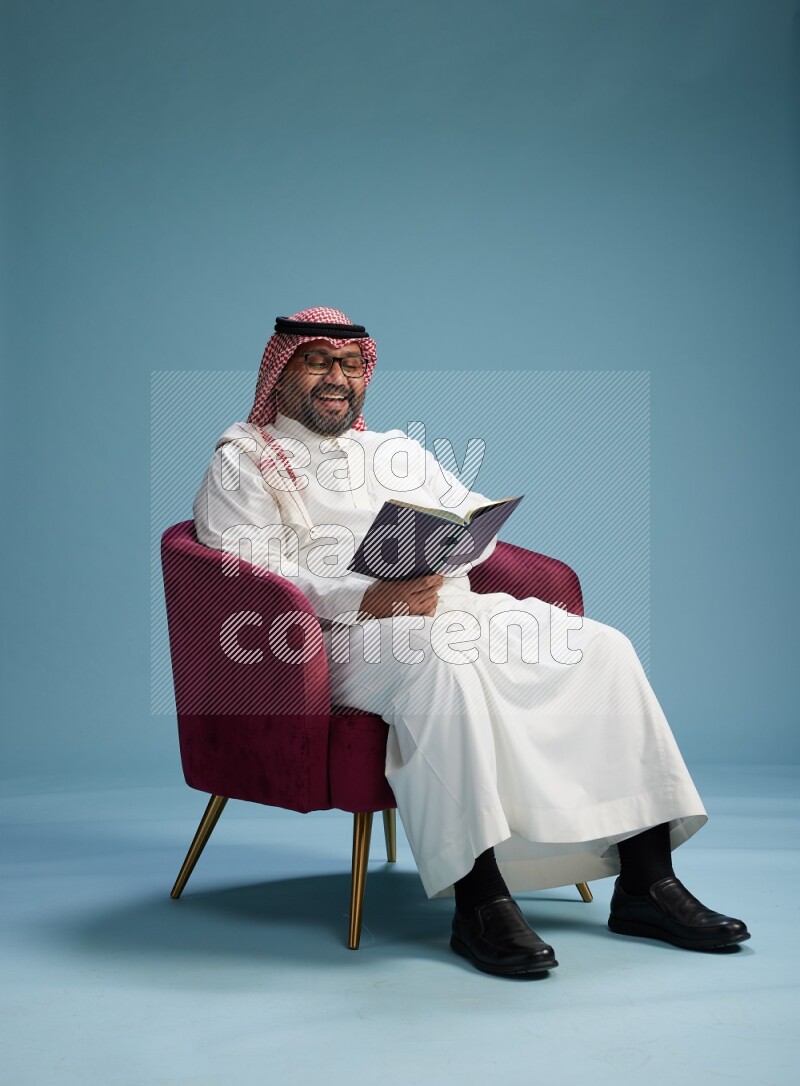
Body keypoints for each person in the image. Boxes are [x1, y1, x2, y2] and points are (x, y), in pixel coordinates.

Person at [193, 306, 750, 977]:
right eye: (317, 361)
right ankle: (480, 901)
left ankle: (647, 883)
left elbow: (467, 517)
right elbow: (246, 572)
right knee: (441, 666)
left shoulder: (395, 450)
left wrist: (441, 550)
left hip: (448, 607)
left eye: (351, 364)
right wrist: (368, 596)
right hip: (328, 639)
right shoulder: (244, 460)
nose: (337, 378)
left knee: (602, 649)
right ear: (281, 371)